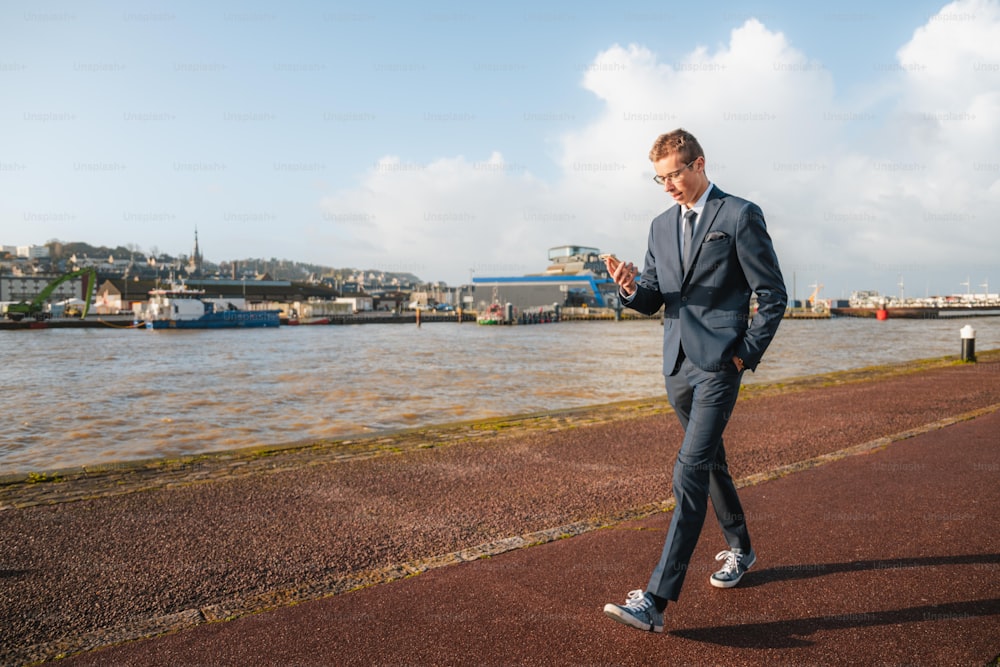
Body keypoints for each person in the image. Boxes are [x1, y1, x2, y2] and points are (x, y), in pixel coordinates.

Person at [602, 128, 786, 633]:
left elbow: (773, 296)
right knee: (709, 463)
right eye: (658, 179)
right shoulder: (660, 225)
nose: (667, 187)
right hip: (677, 367)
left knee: (688, 470)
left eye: (674, 175)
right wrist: (629, 288)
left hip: (720, 365)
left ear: (699, 164)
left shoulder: (740, 215)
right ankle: (742, 548)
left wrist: (744, 356)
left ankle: (656, 601)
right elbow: (656, 298)